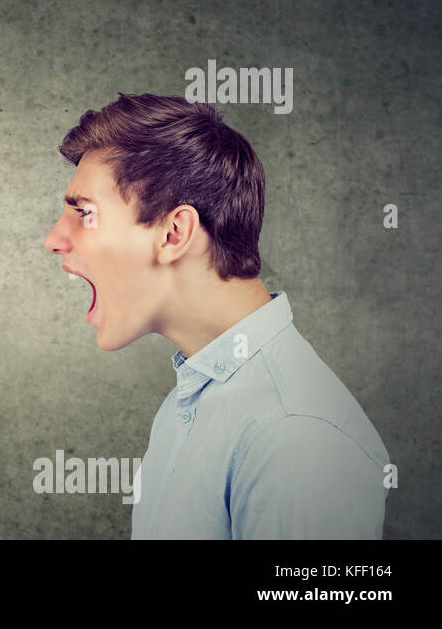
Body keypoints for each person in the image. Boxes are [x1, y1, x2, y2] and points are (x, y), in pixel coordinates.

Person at [43, 93, 390, 538]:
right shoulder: (192, 399)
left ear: (174, 233)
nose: (54, 238)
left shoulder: (296, 436)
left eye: (84, 213)